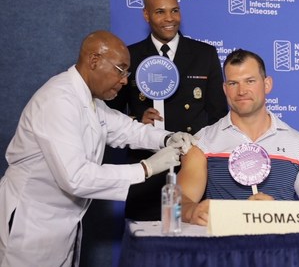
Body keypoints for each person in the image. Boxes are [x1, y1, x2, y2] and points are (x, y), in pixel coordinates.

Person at [0, 30, 196, 267]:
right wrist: (145, 168)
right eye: (120, 70)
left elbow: (128, 129)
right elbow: (75, 177)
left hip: (61, 224)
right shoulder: (58, 100)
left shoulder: (91, 101)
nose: (125, 80)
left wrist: (168, 138)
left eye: (127, 72)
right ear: (94, 61)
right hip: (30, 223)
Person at [107, 0, 228, 221]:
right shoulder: (130, 56)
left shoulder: (205, 54)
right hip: (146, 169)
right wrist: (136, 120)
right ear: (146, 15)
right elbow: (109, 115)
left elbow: (218, 114)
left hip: (192, 169)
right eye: (160, 12)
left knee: (192, 245)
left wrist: (198, 151)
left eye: (174, 11)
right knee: (143, 243)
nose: (169, 18)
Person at [177, 49, 299, 226]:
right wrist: (192, 211)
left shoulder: (298, 143)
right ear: (225, 89)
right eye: (233, 83)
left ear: (267, 85)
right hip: (223, 247)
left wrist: (280, 211)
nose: (241, 91)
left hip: (281, 247)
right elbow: (181, 200)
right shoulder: (203, 142)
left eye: (250, 81)